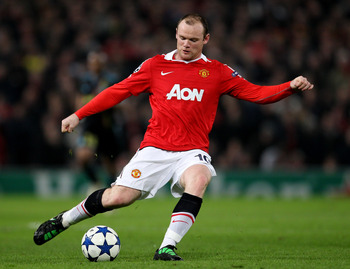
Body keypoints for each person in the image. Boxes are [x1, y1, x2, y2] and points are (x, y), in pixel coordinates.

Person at [33, 13, 314, 261]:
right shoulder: (155, 66)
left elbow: (256, 93)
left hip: (192, 151)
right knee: (118, 198)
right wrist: (78, 114)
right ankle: (64, 220)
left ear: (206, 39)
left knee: (200, 178)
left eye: (193, 39)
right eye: (182, 38)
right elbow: (118, 91)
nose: (186, 44)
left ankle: (167, 247)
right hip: (155, 148)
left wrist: (289, 86)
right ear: (176, 36)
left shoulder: (218, 72)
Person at [73, 51, 121, 193]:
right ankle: (95, 183)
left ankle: (110, 192)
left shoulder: (111, 79)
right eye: (92, 62)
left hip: (107, 126)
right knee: (82, 156)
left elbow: (119, 100)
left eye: (97, 62)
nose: (95, 65)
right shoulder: (84, 80)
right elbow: (79, 101)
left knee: (109, 161)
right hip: (90, 126)